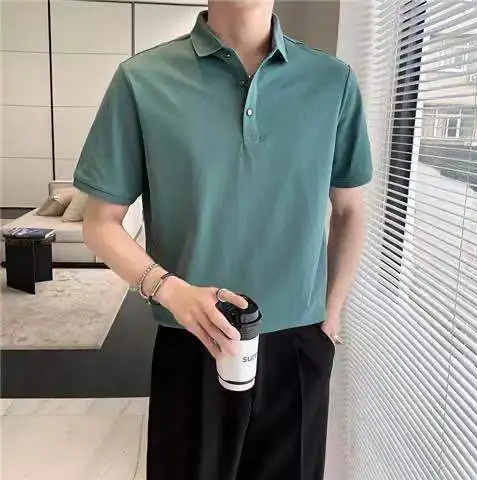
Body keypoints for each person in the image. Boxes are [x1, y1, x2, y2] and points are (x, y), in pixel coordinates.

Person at [74, 1, 372, 478]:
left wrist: (331, 314)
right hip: (191, 336)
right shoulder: (142, 79)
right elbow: (100, 221)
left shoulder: (332, 82)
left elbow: (350, 209)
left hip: (298, 343)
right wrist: (170, 291)